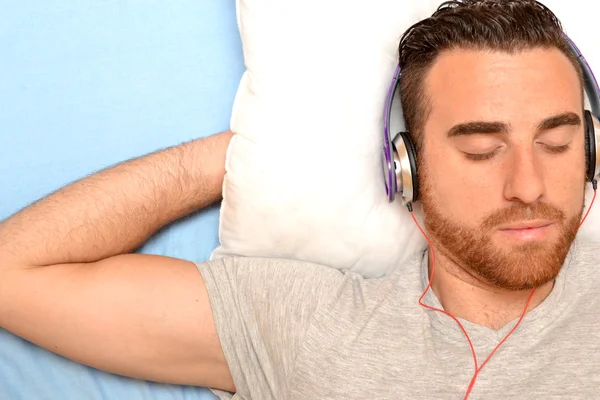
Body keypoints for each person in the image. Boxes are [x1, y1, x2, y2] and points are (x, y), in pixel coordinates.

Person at [1, 0, 599, 398]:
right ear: (406, 170)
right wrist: (252, 154)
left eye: (558, 142)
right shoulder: (305, 324)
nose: (529, 186)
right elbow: (11, 274)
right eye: (481, 151)